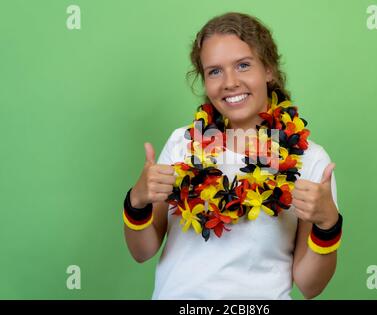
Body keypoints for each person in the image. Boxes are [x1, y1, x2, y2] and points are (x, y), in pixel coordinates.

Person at [123, 12, 342, 300]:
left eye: (243, 65)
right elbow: (143, 252)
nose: (229, 82)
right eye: (214, 71)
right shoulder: (183, 144)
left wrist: (328, 224)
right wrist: (137, 201)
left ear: (268, 70)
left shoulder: (309, 159)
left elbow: (311, 286)